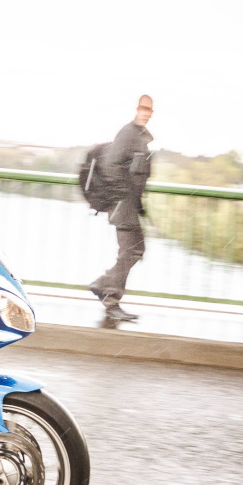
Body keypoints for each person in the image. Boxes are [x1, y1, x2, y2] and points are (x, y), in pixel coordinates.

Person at [89, 94, 154, 327]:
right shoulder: (128, 133)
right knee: (131, 251)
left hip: (129, 206)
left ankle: (103, 285)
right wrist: (121, 194)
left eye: (150, 110)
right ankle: (110, 298)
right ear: (136, 110)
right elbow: (110, 165)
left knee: (134, 251)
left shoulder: (140, 138)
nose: (146, 113)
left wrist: (135, 202)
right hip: (121, 205)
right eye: (142, 108)